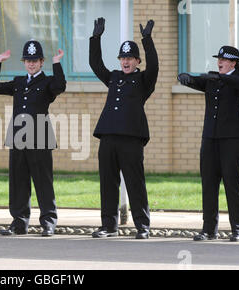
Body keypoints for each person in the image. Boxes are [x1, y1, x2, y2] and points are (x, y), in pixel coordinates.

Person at [0, 40, 66, 237]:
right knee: (18, 181)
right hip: (18, 137)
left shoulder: (47, 82)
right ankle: (19, 222)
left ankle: (48, 222)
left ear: (41, 62)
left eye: (35, 60)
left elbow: (60, 86)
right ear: (24, 62)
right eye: (28, 60)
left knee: (43, 182)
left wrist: (57, 63)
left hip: (40, 136)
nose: (31, 64)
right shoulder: (19, 82)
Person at [89, 18, 158, 239]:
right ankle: (109, 225)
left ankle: (142, 226)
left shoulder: (144, 80)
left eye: (130, 58)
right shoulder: (113, 77)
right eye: (123, 58)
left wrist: (147, 40)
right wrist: (95, 38)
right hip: (108, 136)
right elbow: (95, 64)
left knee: (135, 182)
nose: (126, 61)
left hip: (131, 138)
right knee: (108, 183)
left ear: (137, 60)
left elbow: (155, 66)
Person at [178, 46, 239, 242]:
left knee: (232, 183)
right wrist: (187, 79)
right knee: (209, 184)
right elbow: (198, 81)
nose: (219, 61)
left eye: (223, 59)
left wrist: (218, 77)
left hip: (232, 140)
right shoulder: (213, 79)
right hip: (210, 139)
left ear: (233, 63)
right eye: (218, 58)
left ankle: (238, 228)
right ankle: (209, 229)